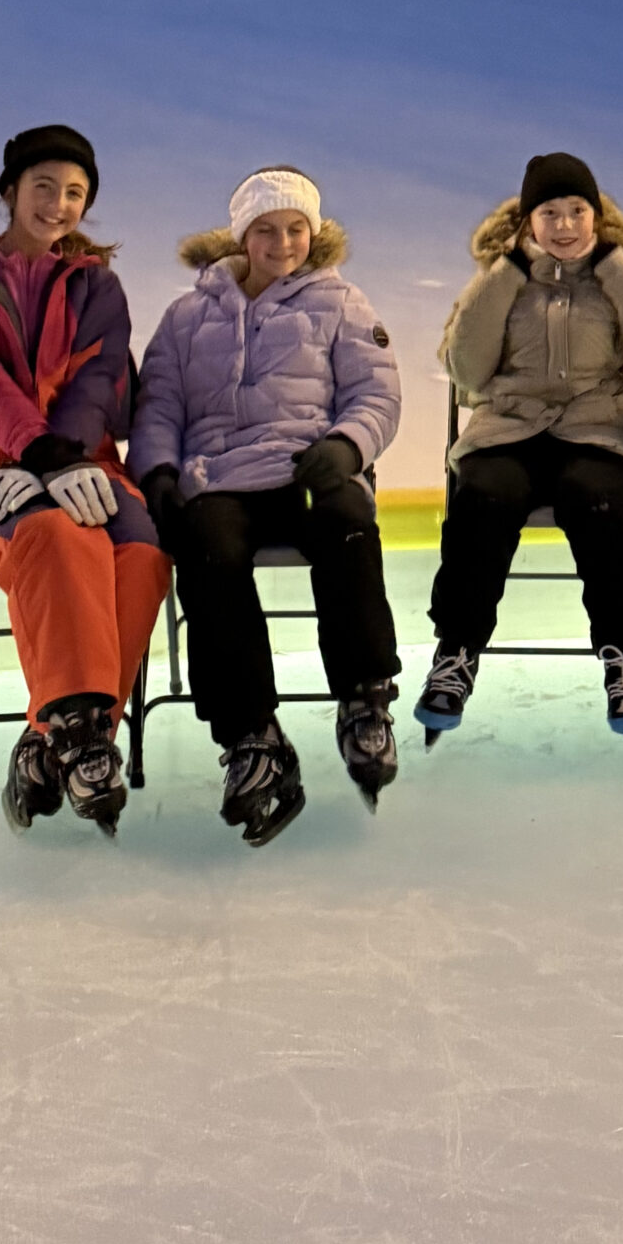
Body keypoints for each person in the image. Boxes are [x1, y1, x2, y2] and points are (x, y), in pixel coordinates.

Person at [130, 168, 402, 848]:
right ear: (241, 236)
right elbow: (158, 402)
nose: (282, 242)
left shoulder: (340, 301)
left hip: (307, 467)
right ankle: (251, 734)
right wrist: (158, 471)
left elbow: (377, 394)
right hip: (218, 476)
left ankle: (364, 696)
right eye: (266, 230)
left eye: (295, 229)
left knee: (346, 524)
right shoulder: (187, 316)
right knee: (207, 548)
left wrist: (347, 446)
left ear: (312, 234)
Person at [0, 127, 170, 836]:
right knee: (57, 533)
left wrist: (66, 456)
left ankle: (52, 738)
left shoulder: (97, 286)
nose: (58, 205)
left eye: (75, 193)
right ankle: (87, 742)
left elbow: (98, 379)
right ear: (7, 192)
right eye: (43, 187)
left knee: (142, 547)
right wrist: (34, 452)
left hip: (83, 461)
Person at [416, 151, 623, 746]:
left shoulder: (619, 276)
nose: (564, 225)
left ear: (596, 216)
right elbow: (464, 368)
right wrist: (506, 274)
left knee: (597, 499)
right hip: (507, 430)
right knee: (483, 497)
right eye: (550, 212)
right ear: (526, 221)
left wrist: (619, 272)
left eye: (577, 210)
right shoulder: (498, 276)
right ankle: (456, 652)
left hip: (595, 432)